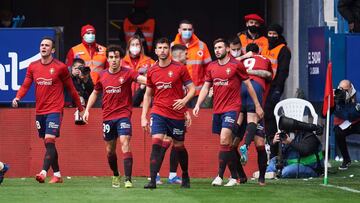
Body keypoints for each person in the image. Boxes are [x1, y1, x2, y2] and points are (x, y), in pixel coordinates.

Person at [12, 37, 84, 183]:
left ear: (53, 50)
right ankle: (57, 174)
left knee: (49, 139)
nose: (43, 47)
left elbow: (71, 88)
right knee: (48, 143)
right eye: (42, 45)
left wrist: (81, 108)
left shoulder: (60, 67)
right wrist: (18, 97)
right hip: (40, 110)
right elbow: (26, 84)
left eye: (47, 45)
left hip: (55, 109)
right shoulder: (33, 66)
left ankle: (43, 172)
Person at [193, 38, 264, 187]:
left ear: (226, 49)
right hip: (217, 109)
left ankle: (219, 176)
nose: (217, 50)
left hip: (232, 108)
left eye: (220, 47)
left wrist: (257, 105)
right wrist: (198, 104)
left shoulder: (236, 65)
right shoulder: (211, 67)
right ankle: (233, 176)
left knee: (225, 139)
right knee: (227, 144)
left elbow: (249, 86)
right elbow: (206, 87)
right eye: (215, 48)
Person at [83, 45, 146, 188]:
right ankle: (116, 174)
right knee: (110, 150)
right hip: (108, 116)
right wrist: (87, 110)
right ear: (107, 59)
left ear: (120, 59)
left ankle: (128, 179)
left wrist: (154, 79)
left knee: (125, 142)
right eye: (111, 57)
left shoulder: (128, 73)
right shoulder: (103, 75)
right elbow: (95, 92)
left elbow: (143, 79)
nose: (113, 60)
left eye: (116, 57)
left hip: (123, 115)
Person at [141, 37, 195, 189]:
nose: (163, 51)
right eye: (160, 48)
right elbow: (148, 94)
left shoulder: (180, 68)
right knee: (156, 143)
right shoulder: (152, 70)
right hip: (158, 112)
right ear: (156, 51)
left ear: (169, 50)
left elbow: (192, 88)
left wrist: (184, 101)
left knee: (179, 146)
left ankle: (184, 174)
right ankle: (152, 180)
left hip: (176, 114)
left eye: (165, 48)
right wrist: (143, 116)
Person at [234, 43, 272, 185]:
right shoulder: (265, 59)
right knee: (260, 144)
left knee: (231, 144)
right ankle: (261, 179)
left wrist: (243, 59)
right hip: (255, 90)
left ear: (245, 50)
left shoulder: (241, 60)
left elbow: (228, 63)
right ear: (259, 51)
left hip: (240, 91)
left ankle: (240, 176)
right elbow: (269, 75)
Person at [262, 24, 291, 158]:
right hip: (264, 87)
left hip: (274, 88)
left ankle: (274, 150)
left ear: (279, 35)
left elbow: (283, 72)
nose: (272, 36)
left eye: (274, 34)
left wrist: (278, 89)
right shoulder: (264, 47)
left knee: (270, 115)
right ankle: (270, 147)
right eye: (270, 33)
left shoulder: (283, 50)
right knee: (266, 116)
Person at [171, 19, 212, 108]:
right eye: (184, 29)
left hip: (198, 93)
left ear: (193, 30)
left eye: (189, 29)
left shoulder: (202, 46)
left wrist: (206, 86)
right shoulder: (172, 46)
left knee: (198, 119)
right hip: (178, 93)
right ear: (179, 31)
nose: (187, 31)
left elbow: (209, 69)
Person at [121, 35, 155, 107]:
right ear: (128, 47)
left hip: (144, 102)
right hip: (125, 102)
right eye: (132, 44)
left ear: (141, 46)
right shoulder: (121, 63)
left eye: (137, 44)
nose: (135, 46)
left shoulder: (149, 61)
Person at [333, 80, 360, 170]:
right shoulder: (337, 97)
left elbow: (352, 115)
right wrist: (334, 101)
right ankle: (346, 160)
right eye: (341, 90)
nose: (343, 93)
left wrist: (345, 106)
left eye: (345, 90)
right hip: (346, 124)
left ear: (350, 89)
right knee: (338, 132)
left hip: (357, 122)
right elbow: (327, 114)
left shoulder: (358, 97)